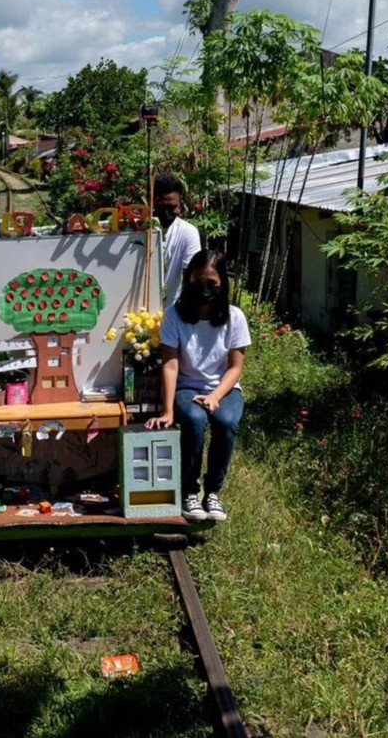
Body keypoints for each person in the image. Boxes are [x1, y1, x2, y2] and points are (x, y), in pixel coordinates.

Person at [146, 250, 250, 522]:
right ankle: (189, 490)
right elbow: (170, 365)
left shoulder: (235, 317)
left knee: (226, 422)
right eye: (197, 282)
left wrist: (215, 396)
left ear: (223, 283)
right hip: (187, 387)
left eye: (211, 283)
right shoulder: (173, 315)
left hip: (224, 388)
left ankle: (212, 491)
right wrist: (168, 411)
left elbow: (235, 368)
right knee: (194, 419)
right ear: (188, 280)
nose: (204, 289)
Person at [153, 173, 202, 306]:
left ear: (180, 205)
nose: (167, 214)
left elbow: (191, 277)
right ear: (153, 203)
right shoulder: (140, 229)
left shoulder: (188, 233)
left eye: (172, 208)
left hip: (171, 308)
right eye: (162, 208)